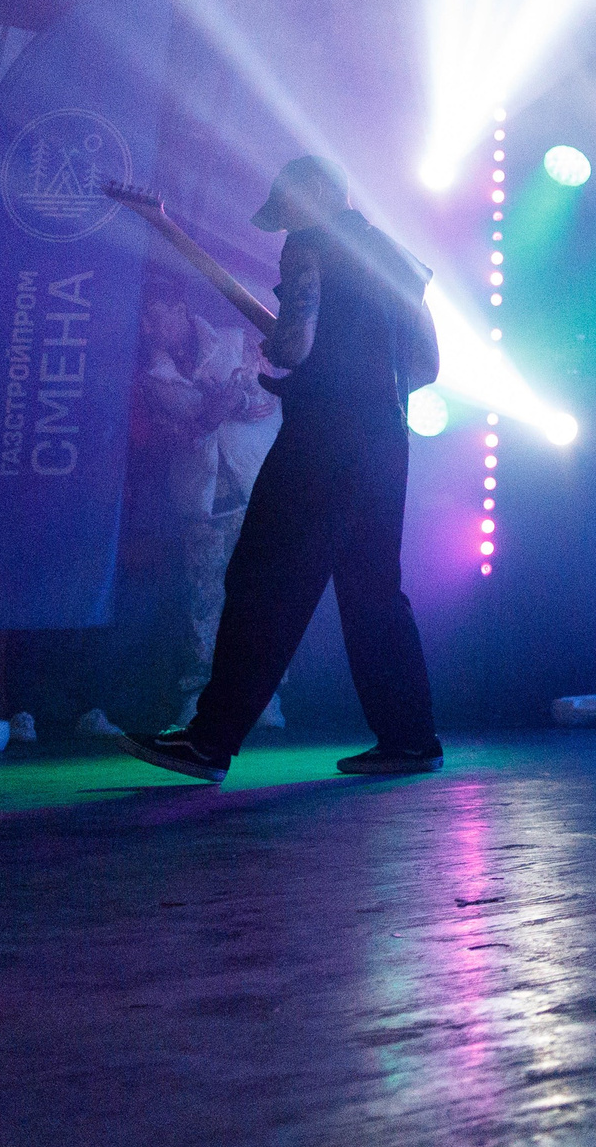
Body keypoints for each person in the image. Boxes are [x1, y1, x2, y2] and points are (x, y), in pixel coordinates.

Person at [117, 156, 445, 784]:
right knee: (373, 591)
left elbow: (294, 346)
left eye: (288, 205)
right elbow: (427, 366)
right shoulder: (397, 258)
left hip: (321, 440)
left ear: (316, 194)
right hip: (385, 439)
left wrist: (290, 353)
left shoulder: (308, 247)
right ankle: (410, 740)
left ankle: (210, 741)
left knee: (263, 581)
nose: (285, 223)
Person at [135, 282, 283, 731]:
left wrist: (237, 401)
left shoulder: (236, 342)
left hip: (256, 485)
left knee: (262, 592)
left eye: (156, 315)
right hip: (202, 497)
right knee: (205, 598)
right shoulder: (153, 375)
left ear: (180, 309)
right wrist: (216, 408)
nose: (149, 328)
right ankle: (200, 695)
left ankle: (265, 695)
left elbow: (269, 398)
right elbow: (179, 430)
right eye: (144, 321)